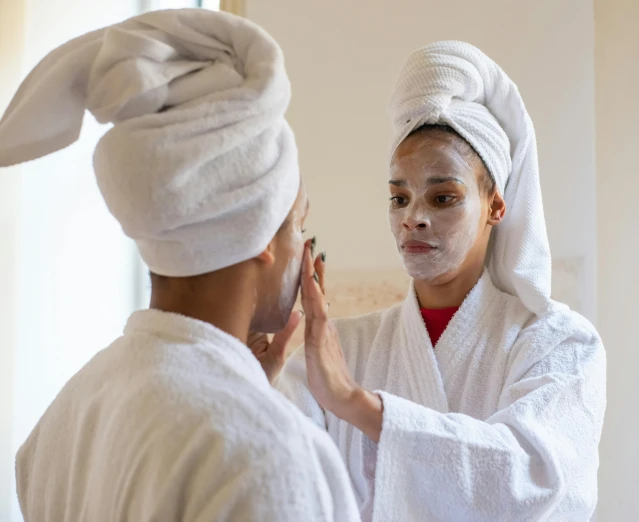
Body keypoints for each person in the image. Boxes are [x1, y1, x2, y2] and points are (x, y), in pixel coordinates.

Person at [0, 9, 359, 522]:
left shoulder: (68, 416)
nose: (304, 252)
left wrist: (240, 384)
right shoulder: (268, 454)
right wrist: (241, 397)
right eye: (298, 225)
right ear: (260, 234)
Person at [276, 41, 607, 521]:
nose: (413, 218)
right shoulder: (338, 350)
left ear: (495, 205)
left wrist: (356, 404)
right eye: (399, 198)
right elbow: (280, 490)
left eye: (443, 197)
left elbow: (532, 478)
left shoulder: (559, 344)